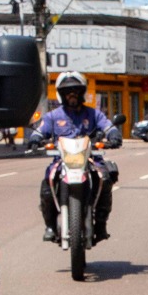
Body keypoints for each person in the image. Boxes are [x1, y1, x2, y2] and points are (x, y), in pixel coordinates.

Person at [32, 71, 118, 242]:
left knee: (105, 178)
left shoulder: (94, 114)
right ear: (61, 94)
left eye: (76, 91)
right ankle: (50, 226)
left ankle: (101, 224)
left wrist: (114, 134)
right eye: (67, 92)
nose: (72, 95)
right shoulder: (53, 116)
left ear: (82, 92)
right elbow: (40, 130)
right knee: (47, 182)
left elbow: (108, 126)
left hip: (91, 159)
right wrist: (35, 139)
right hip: (62, 160)